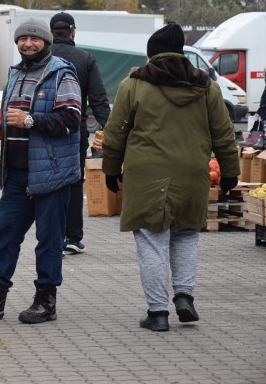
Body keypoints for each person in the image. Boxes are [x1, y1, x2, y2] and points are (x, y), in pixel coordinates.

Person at [101, 22, 240, 332]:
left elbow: (115, 134)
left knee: (152, 240)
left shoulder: (133, 84)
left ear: (152, 55)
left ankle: (158, 312)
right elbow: (224, 134)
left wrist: (110, 169)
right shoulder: (207, 87)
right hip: (193, 175)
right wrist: (230, 171)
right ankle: (184, 296)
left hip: (147, 176)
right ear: (182, 54)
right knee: (187, 234)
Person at [0, 18, 82, 324]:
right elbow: (14, 119)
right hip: (16, 171)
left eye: (34, 39)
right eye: (22, 39)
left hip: (50, 173)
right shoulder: (16, 74)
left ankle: (46, 301)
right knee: (5, 233)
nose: (27, 43)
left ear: (46, 42)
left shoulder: (61, 73)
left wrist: (30, 121)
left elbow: (72, 118)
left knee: (49, 240)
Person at [49, 12, 111, 255]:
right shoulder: (85, 59)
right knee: (74, 182)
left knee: (47, 182)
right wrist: (111, 132)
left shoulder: (42, 56)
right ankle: (72, 236)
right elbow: (98, 100)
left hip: (42, 129)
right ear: (73, 32)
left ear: (52, 32)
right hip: (75, 130)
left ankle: (51, 235)